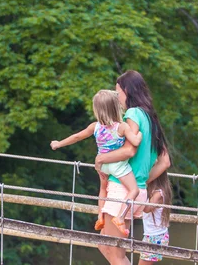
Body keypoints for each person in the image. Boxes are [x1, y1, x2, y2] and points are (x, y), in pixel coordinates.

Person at [94, 70, 171, 265]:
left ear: (128, 91)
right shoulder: (150, 117)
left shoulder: (132, 115)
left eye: (118, 91)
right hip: (133, 191)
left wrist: (103, 159)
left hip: (119, 191)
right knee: (106, 245)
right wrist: (141, 182)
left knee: (114, 253)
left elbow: (130, 148)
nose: (117, 96)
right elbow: (165, 161)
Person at [51, 90, 143, 235]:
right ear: (115, 107)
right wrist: (140, 134)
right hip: (118, 165)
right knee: (134, 190)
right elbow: (135, 141)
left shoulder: (95, 127)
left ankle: (100, 216)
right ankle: (120, 217)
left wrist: (58, 144)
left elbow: (77, 137)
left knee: (102, 190)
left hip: (102, 165)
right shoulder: (122, 127)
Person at [137, 171, 183, 265]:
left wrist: (137, 189)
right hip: (152, 236)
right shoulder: (157, 192)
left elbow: (146, 208)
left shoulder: (158, 194)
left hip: (155, 238)